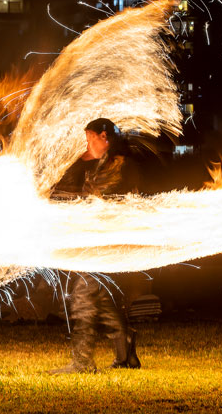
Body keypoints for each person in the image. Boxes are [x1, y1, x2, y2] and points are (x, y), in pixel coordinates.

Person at [50, 118, 141, 374]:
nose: (88, 143)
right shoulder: (93, 163)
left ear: (104, 137)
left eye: (91, 138)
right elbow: (71, 193)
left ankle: (82, 361)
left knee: (82, 296)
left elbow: (105, 198)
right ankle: (126, 354)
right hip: (95, 239)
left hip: (104, 240)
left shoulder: (119, 164)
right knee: (101, 297)